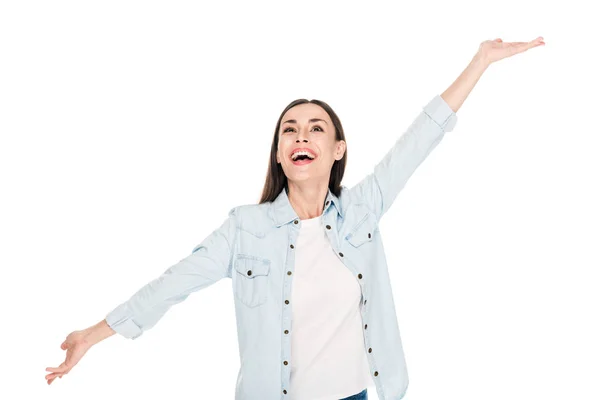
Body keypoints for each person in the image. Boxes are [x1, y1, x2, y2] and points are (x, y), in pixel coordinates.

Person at [45, 37, 545, 399]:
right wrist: (92, 334)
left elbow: (421, 138)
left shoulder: (362, 210)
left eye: (315, 128)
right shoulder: (245, 228)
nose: (301, 136)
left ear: (337, 150)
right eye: (289, 130)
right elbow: (172, 284)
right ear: (280, 155)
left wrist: (481, 61)